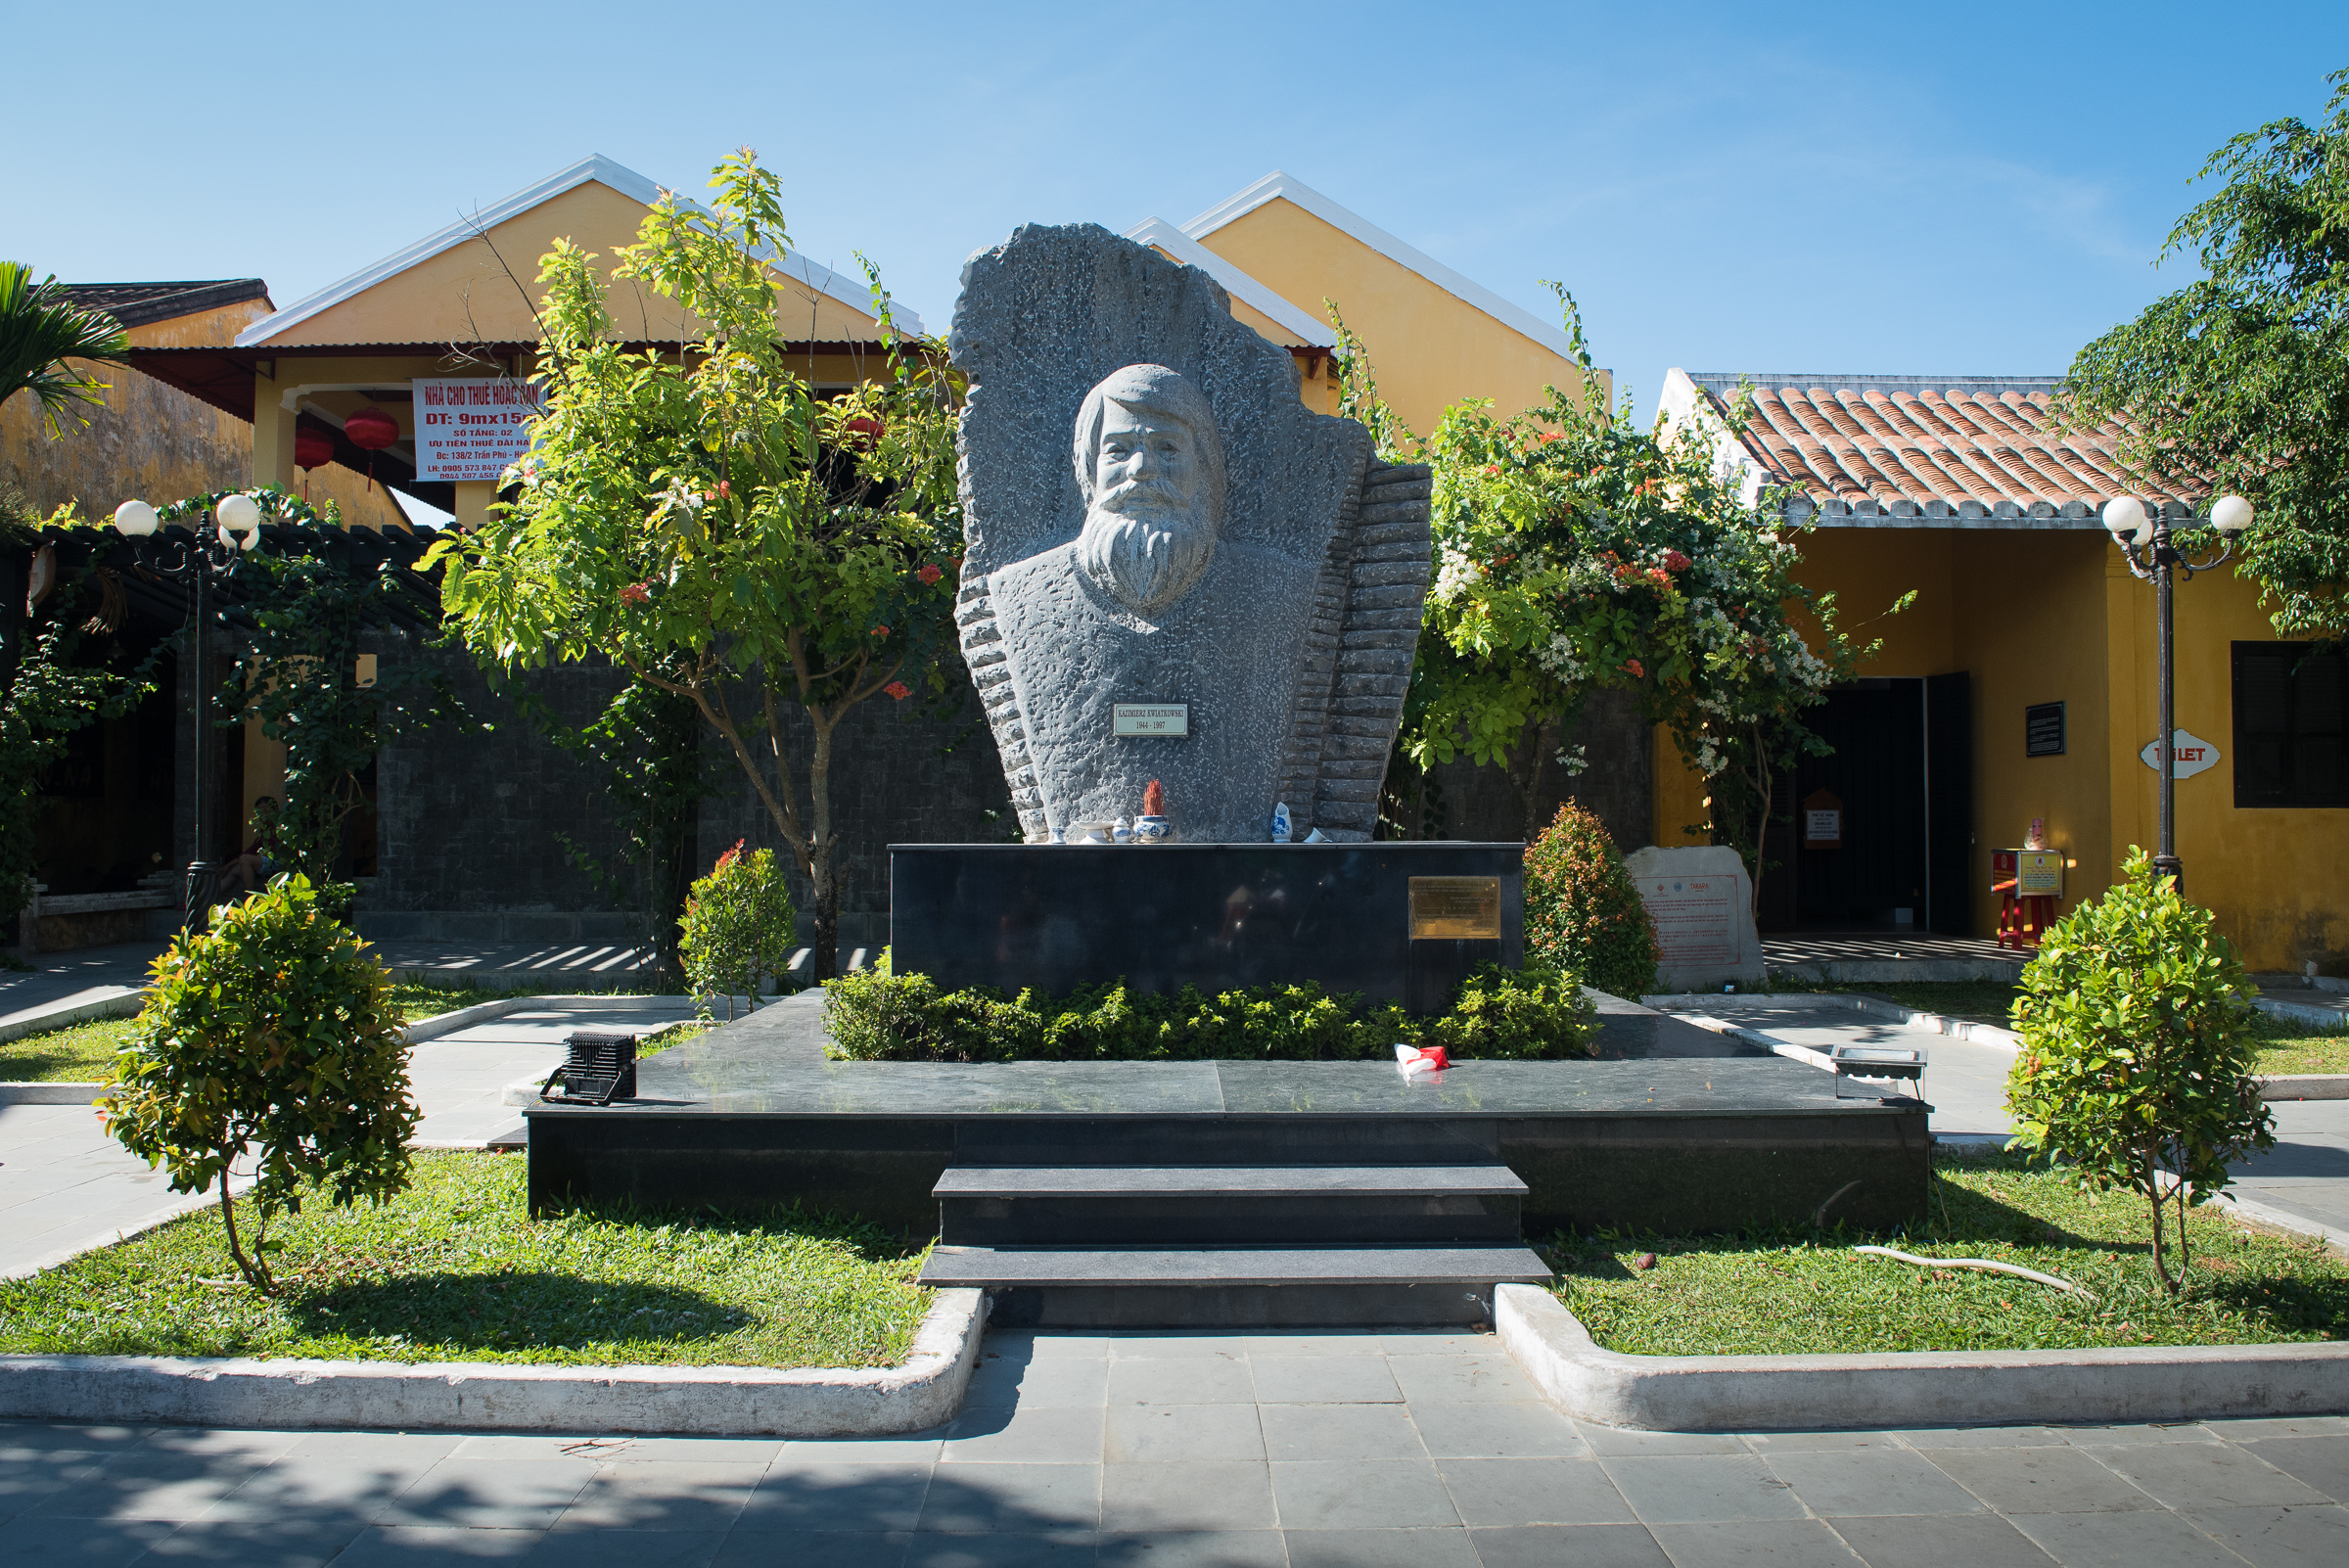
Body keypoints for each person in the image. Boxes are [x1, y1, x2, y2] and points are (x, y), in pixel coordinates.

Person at [222, 797, 282, 895]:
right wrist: (227, 866)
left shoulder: (281, 826)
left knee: (245, 860)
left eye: (267, 811)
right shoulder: (264, 829)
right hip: (267, 863)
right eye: (260, 813)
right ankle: (213, 895)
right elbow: (252, 850)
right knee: (234, 869)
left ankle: (251, 896)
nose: (264, 815)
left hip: (278, 863)